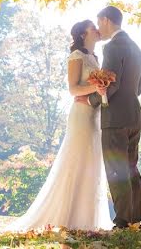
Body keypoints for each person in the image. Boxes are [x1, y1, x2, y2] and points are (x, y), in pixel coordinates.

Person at [9, 20, 113, 231]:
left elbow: (92, 90)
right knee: (76, 161)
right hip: (81, 115)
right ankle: (65, 216)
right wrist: (95, 85)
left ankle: (87, 219)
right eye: (92, 27)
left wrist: (101, 91)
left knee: (91, 163)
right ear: (83, 34)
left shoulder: (95, 57)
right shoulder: (77, 57)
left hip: (95, 115)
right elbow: (73, 89)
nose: (97, 29)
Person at [91, 6, 141, 230]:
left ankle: (122, 220)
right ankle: (134, 218)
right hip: (134, 116)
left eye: (99, 22)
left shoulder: (112, 47)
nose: (98, 28)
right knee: (132, 168)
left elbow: (110, 84)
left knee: (116, 168)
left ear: (105, 20)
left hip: (115, 118)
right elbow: (138, 88)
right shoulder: (138, 48)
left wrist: (93, 101)